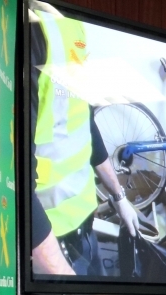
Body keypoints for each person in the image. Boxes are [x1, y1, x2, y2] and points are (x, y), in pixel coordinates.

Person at [28, 3, 138, 276]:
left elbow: (84, 122)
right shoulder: (32, 31)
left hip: (85, 230)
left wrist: (119, 196)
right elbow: (16, 177)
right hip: (51, 245)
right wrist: (63, 277)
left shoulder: (73, 28)